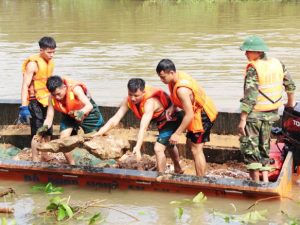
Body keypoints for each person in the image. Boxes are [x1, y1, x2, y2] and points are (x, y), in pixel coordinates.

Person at [93, 78, 183, 173]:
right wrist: (100, 132)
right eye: (130, 94)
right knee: (169, 145)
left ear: (143, 92)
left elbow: (143, 127)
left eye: (136, 96)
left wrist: (138, 147)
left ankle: (160, 176)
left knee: (158, 148)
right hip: (160, 120)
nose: (132, 98)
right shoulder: (128, 100)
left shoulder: (150, 102)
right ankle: (178, 168)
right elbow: (116, 118)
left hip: (171, 118)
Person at [238, 35, 296, 181]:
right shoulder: (278, 64)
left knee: (251, 148)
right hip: (271, 114)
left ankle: (255, 183)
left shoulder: (254, 68)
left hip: (254, 115)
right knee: (264, 146)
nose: (245, 54)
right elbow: (290, 85)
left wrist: (243, 119)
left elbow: (250, 97)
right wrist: (290, 105)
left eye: (248, 51)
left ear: (258, 52)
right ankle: (265, 181)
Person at [156, 59, 218, 176]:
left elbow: (189, 114)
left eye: (163, 77)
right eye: (160, 77)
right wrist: (173, 106)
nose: (162, 80)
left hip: (202, 115)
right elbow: (183, 100)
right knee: (191, 144)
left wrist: (177, 133)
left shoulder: (182, 89)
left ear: (172, 73)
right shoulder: (176, 78)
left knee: (196, 149)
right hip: (195, 112)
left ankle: (201, 181)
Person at [36, 75, 105, 165]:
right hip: (68, 114)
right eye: (54, 95)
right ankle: (72, 165)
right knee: (62, 141)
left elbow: (89, 106)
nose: (56, 97)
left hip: (87, 111)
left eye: (58, 94)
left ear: (64, 87)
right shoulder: (51, 97)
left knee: (98, 135)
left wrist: (80, 113)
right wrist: (44, 128)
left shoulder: (75, 89)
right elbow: (49, 117)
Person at [19, 36, 56, 162]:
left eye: (53, 52)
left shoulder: (50, 63)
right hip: (35, 101)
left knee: (49, 130)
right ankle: (35, 158)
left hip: (47, 99)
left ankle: (45, 154)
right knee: (38, 131)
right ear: (41, 50)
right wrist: (24, 106)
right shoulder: (33, 65)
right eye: (49, 52)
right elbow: (24, 86)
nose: (52, 55)